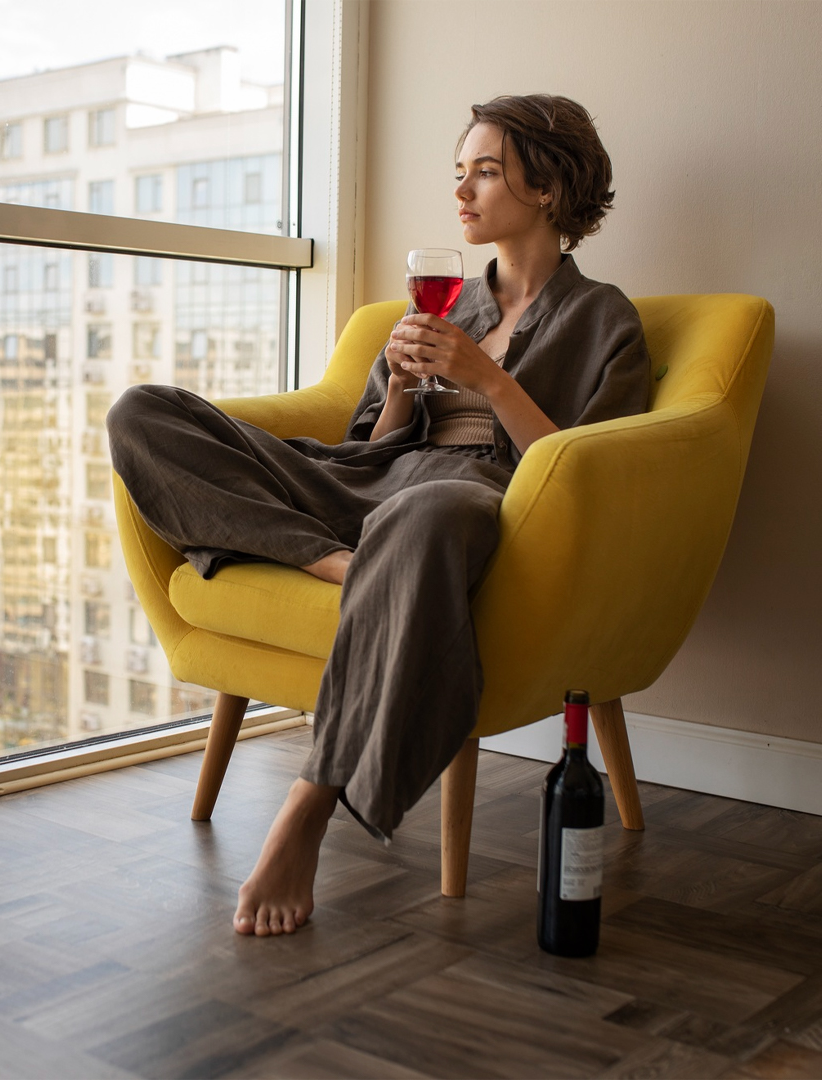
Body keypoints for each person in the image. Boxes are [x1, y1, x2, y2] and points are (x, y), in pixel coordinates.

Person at [108, 94, 650, 937]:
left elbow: (580, 470)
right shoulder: (446, 302)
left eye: (486, 171)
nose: (463, 190)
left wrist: (491, 379)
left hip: (472, 500)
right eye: (459, 171)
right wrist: (398, 387)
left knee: (426, 512)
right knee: (143, 413)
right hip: (372, 484)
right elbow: (368, 440)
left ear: (547, 188)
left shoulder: (604, 318)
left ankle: (309, 805)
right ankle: (329, 559)